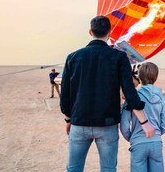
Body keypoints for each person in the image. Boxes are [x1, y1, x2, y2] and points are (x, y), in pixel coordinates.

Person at [60, 16, 155, 172]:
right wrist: (144, 122)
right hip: (107, 124)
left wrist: (68, 118)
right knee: (109, 169)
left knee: (73, 168)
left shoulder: (73, 57)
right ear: (109, 33)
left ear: (90, 32)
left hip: (79, 122)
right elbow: (129, 92)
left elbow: (65, 94)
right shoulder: (118, 57)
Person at [120, 62, 165, 172]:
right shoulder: (160, 97)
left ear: (140, 77)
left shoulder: (133, 97)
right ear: (155, 77)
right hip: (156, 142)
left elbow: (124, 125)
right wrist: (157, 133)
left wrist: (132, 137)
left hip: (138, 143)